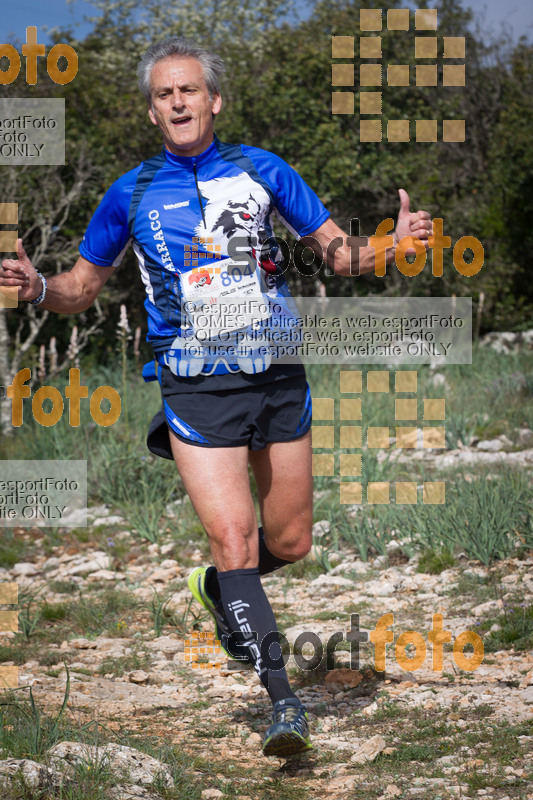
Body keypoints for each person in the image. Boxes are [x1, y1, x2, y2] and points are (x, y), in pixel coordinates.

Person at [0, 36, 433, 757]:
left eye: (189, 90)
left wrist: (390, 245)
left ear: (213, 101)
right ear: (151, 111)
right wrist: (39, 286)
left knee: (289, 541)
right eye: (164, 93)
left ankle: (219, 588)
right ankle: (282, 703)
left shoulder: (262, 170)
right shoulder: (130, 192)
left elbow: (335, 250)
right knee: (234, 539)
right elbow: (82, 287)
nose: (178, 101)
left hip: (275, 374)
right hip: (195, 385)